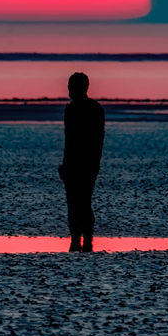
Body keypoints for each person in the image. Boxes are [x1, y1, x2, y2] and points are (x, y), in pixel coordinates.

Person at [59, 71, 105, 252]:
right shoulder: (71, 109)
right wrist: (65, 164)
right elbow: (68, 140)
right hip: (75, 164)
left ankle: (86, 239)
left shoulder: (92, 109)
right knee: (74, 202)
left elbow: (96, 140)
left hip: (86, 164)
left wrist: (93, 164)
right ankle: (76, 239)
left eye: (71, 87)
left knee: (82, 201)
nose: (69, 90)